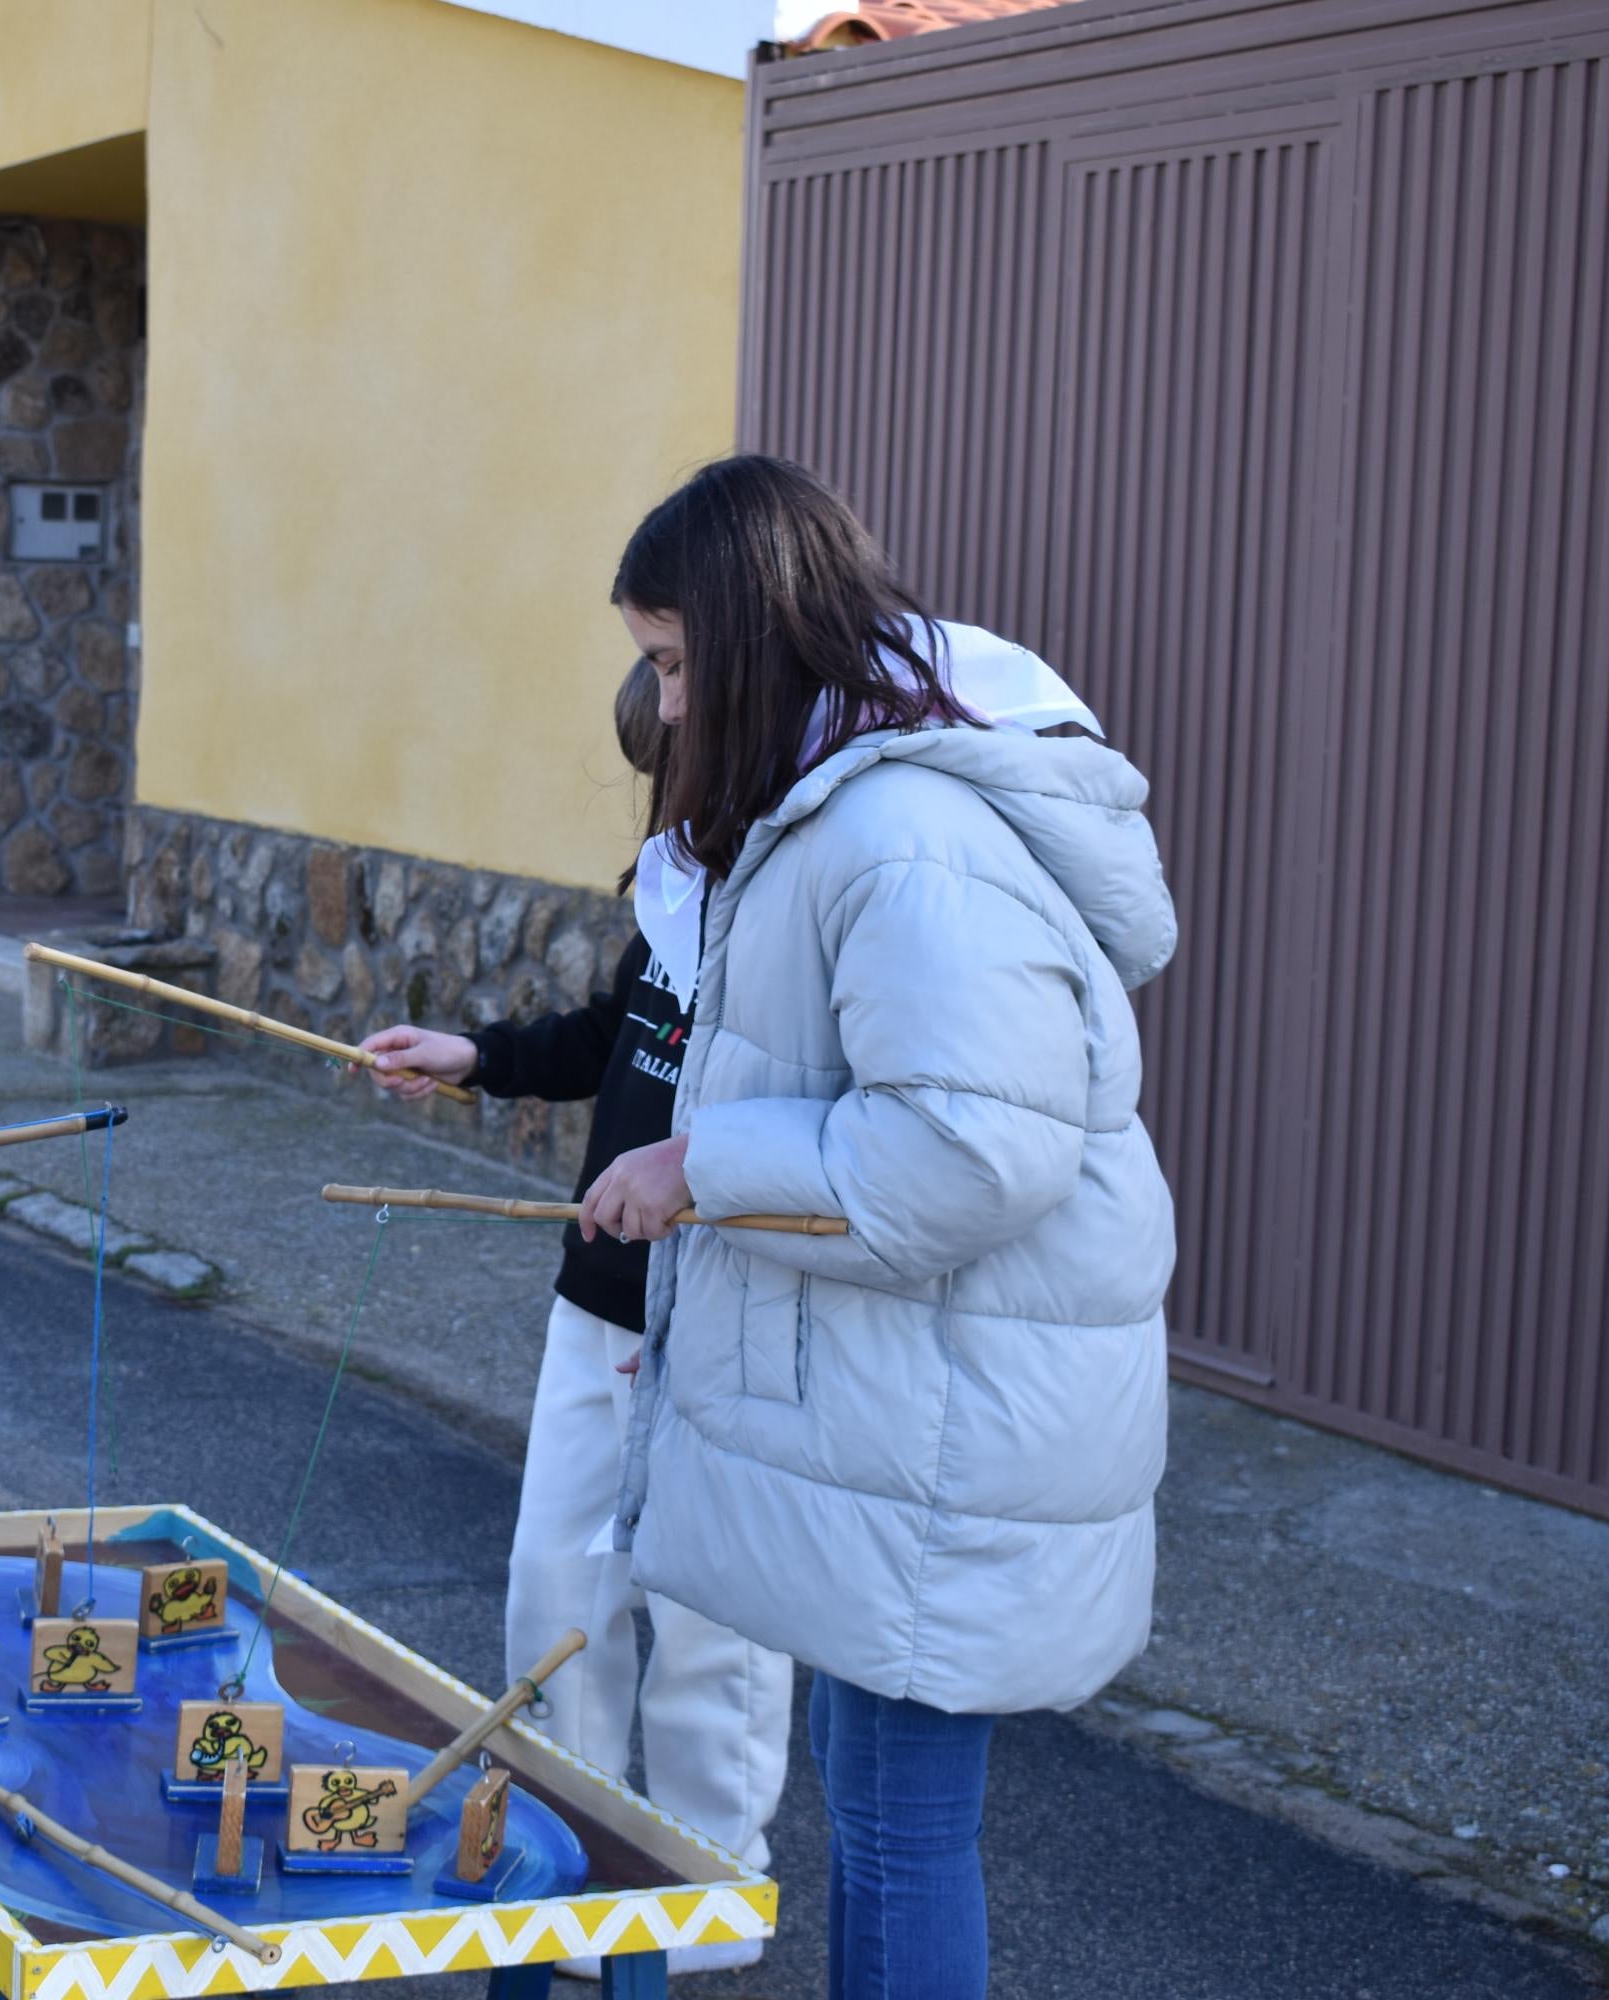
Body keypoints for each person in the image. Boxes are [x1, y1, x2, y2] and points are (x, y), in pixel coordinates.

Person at [581, 456, 1174, 2000]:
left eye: (672, 665)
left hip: (953, 1424)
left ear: (752, 637)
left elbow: (972, 1152)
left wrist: (697, 1168)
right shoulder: (844, 806)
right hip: (908, 1408)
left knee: (904, 1833)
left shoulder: (903, 834)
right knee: (876, 1813)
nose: (667, 706)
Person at [355, 662, 792, 1978]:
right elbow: (614, 1036)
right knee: (558, 1587)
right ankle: (578, 1859)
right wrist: (479, 1057)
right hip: (594, 1300)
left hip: (725, 1315)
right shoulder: (677, 877)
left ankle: (714, 1893)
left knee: (717, 1623)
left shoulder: (800, 901)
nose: (668, 795)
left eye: (680, 756)